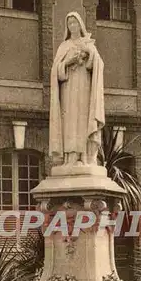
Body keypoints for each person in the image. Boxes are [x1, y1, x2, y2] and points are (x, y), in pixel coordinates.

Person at [49, 11, 105, 166]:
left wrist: (88, 53)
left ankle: (85, 155)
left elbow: (98, 65)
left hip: (85, 87)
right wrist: (68, 62)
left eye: (75, 22)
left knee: (83, 118)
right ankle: (71, 156)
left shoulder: (88, 43)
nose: (73, 26)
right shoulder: (64, 46)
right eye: (70, 23)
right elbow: (55, 72)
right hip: (68, 89)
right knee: (70, 120)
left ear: (80, 25)